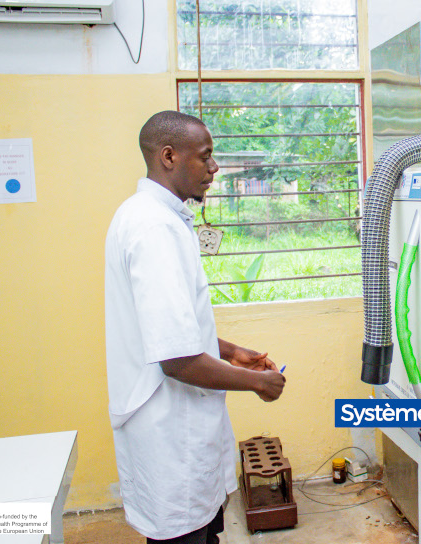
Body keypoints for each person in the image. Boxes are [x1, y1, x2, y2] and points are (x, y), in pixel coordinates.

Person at [105, 110, 286, 544]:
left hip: (178, 426)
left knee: (205, 535)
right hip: (170, 430)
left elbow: (172, 325)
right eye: (205, 157)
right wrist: (257, 383)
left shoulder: (154, 216)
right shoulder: (153, 228)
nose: (215, 167)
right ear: (168, 156)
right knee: (186, 536)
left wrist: (231, 350)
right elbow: (177, 358)